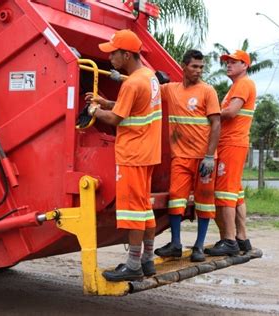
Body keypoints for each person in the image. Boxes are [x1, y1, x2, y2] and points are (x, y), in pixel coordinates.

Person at [85, 29, 162, 281]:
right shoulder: (149, 78)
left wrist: (95, 110)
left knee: (132, 212)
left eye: (113, 53)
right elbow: (131, 109)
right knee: (144, 208)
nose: (110, 59)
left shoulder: (131, 83)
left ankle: (133, 265)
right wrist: (105, 102)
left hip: (132, 155)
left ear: (126, 55)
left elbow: (117, 119)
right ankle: (147, 261)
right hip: (148, 153)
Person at [154, 50, 221, 262]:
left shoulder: (208, 91)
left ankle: (199, 247)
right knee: (176, 199)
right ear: (184, 66)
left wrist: (210, 157)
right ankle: (175, 244)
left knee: (205, 202)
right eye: (194, 66)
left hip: (204, 159)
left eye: (201, 67)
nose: (199, 71)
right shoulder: (171, 90)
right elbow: (148, 88)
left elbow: (216, 124)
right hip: (181, 157)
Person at [207, 50, 256, 256]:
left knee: (225, 193)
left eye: (233, 62)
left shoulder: (243, 84)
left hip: (232, 144)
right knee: (235, 193)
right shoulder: (237, 86)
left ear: (245, 65)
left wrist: (207, 112)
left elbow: (230, 112)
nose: (228, 65)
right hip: (233, 143)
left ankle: (228, 240)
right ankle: (241, 238)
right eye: (227, 62)